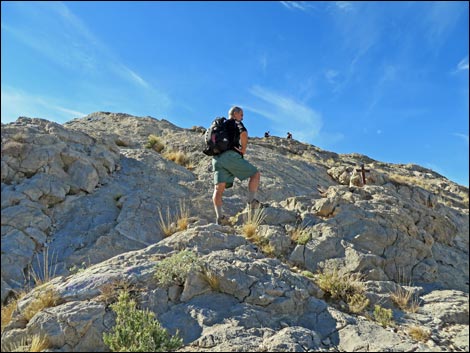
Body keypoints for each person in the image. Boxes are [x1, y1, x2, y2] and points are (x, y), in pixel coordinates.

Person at [212, 106, 261, 225]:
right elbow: (244, 133)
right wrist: (243, 149)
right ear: (235, 114)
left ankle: (220, 218)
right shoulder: (235, 122)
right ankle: (251, 202)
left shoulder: (219, 124)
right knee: (255, 174)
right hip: (230, 156)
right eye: (241, 115)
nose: (242, 118)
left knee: (219, 188)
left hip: (216, 158)